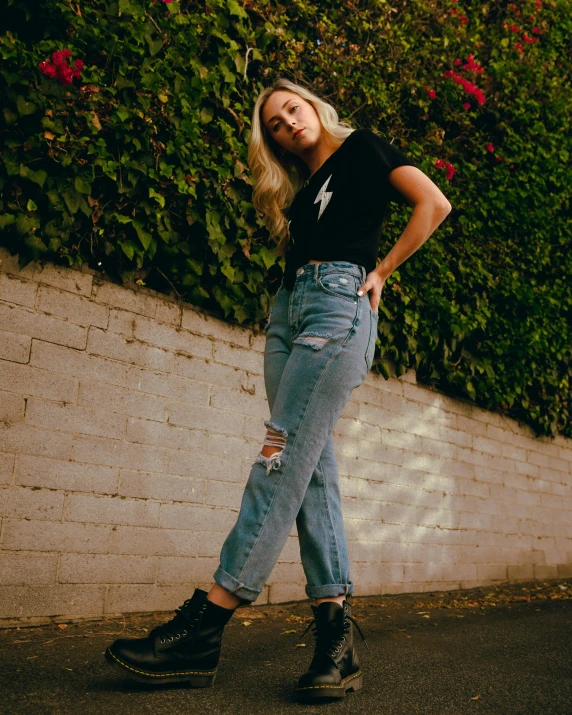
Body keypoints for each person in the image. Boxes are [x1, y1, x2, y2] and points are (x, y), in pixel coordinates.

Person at [104, 77, 452, 700]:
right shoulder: (300, 194)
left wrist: (382, 273)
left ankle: (206, 625)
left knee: (279, 455)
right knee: (309, 469)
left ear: (313, 107)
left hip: (339, 307)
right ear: (275, 143)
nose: (289, 123)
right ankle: (335, 642)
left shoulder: (364, 148)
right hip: (290, 314)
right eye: (276, 124)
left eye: (293, 109)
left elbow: (434, 203)